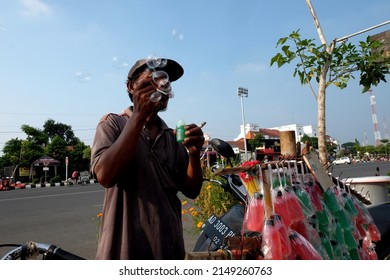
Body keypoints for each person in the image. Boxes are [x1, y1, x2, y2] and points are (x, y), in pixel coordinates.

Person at [90, 58, 205, 260]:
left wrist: (194, 154)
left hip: (168, 251)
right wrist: (138, 116)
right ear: (131, 86)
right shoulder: (113, 124)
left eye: (165, 81)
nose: (161, 85)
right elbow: (105, 176)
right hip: (123, 253)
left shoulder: (171, 137)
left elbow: (192, 190)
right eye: (151, 80)